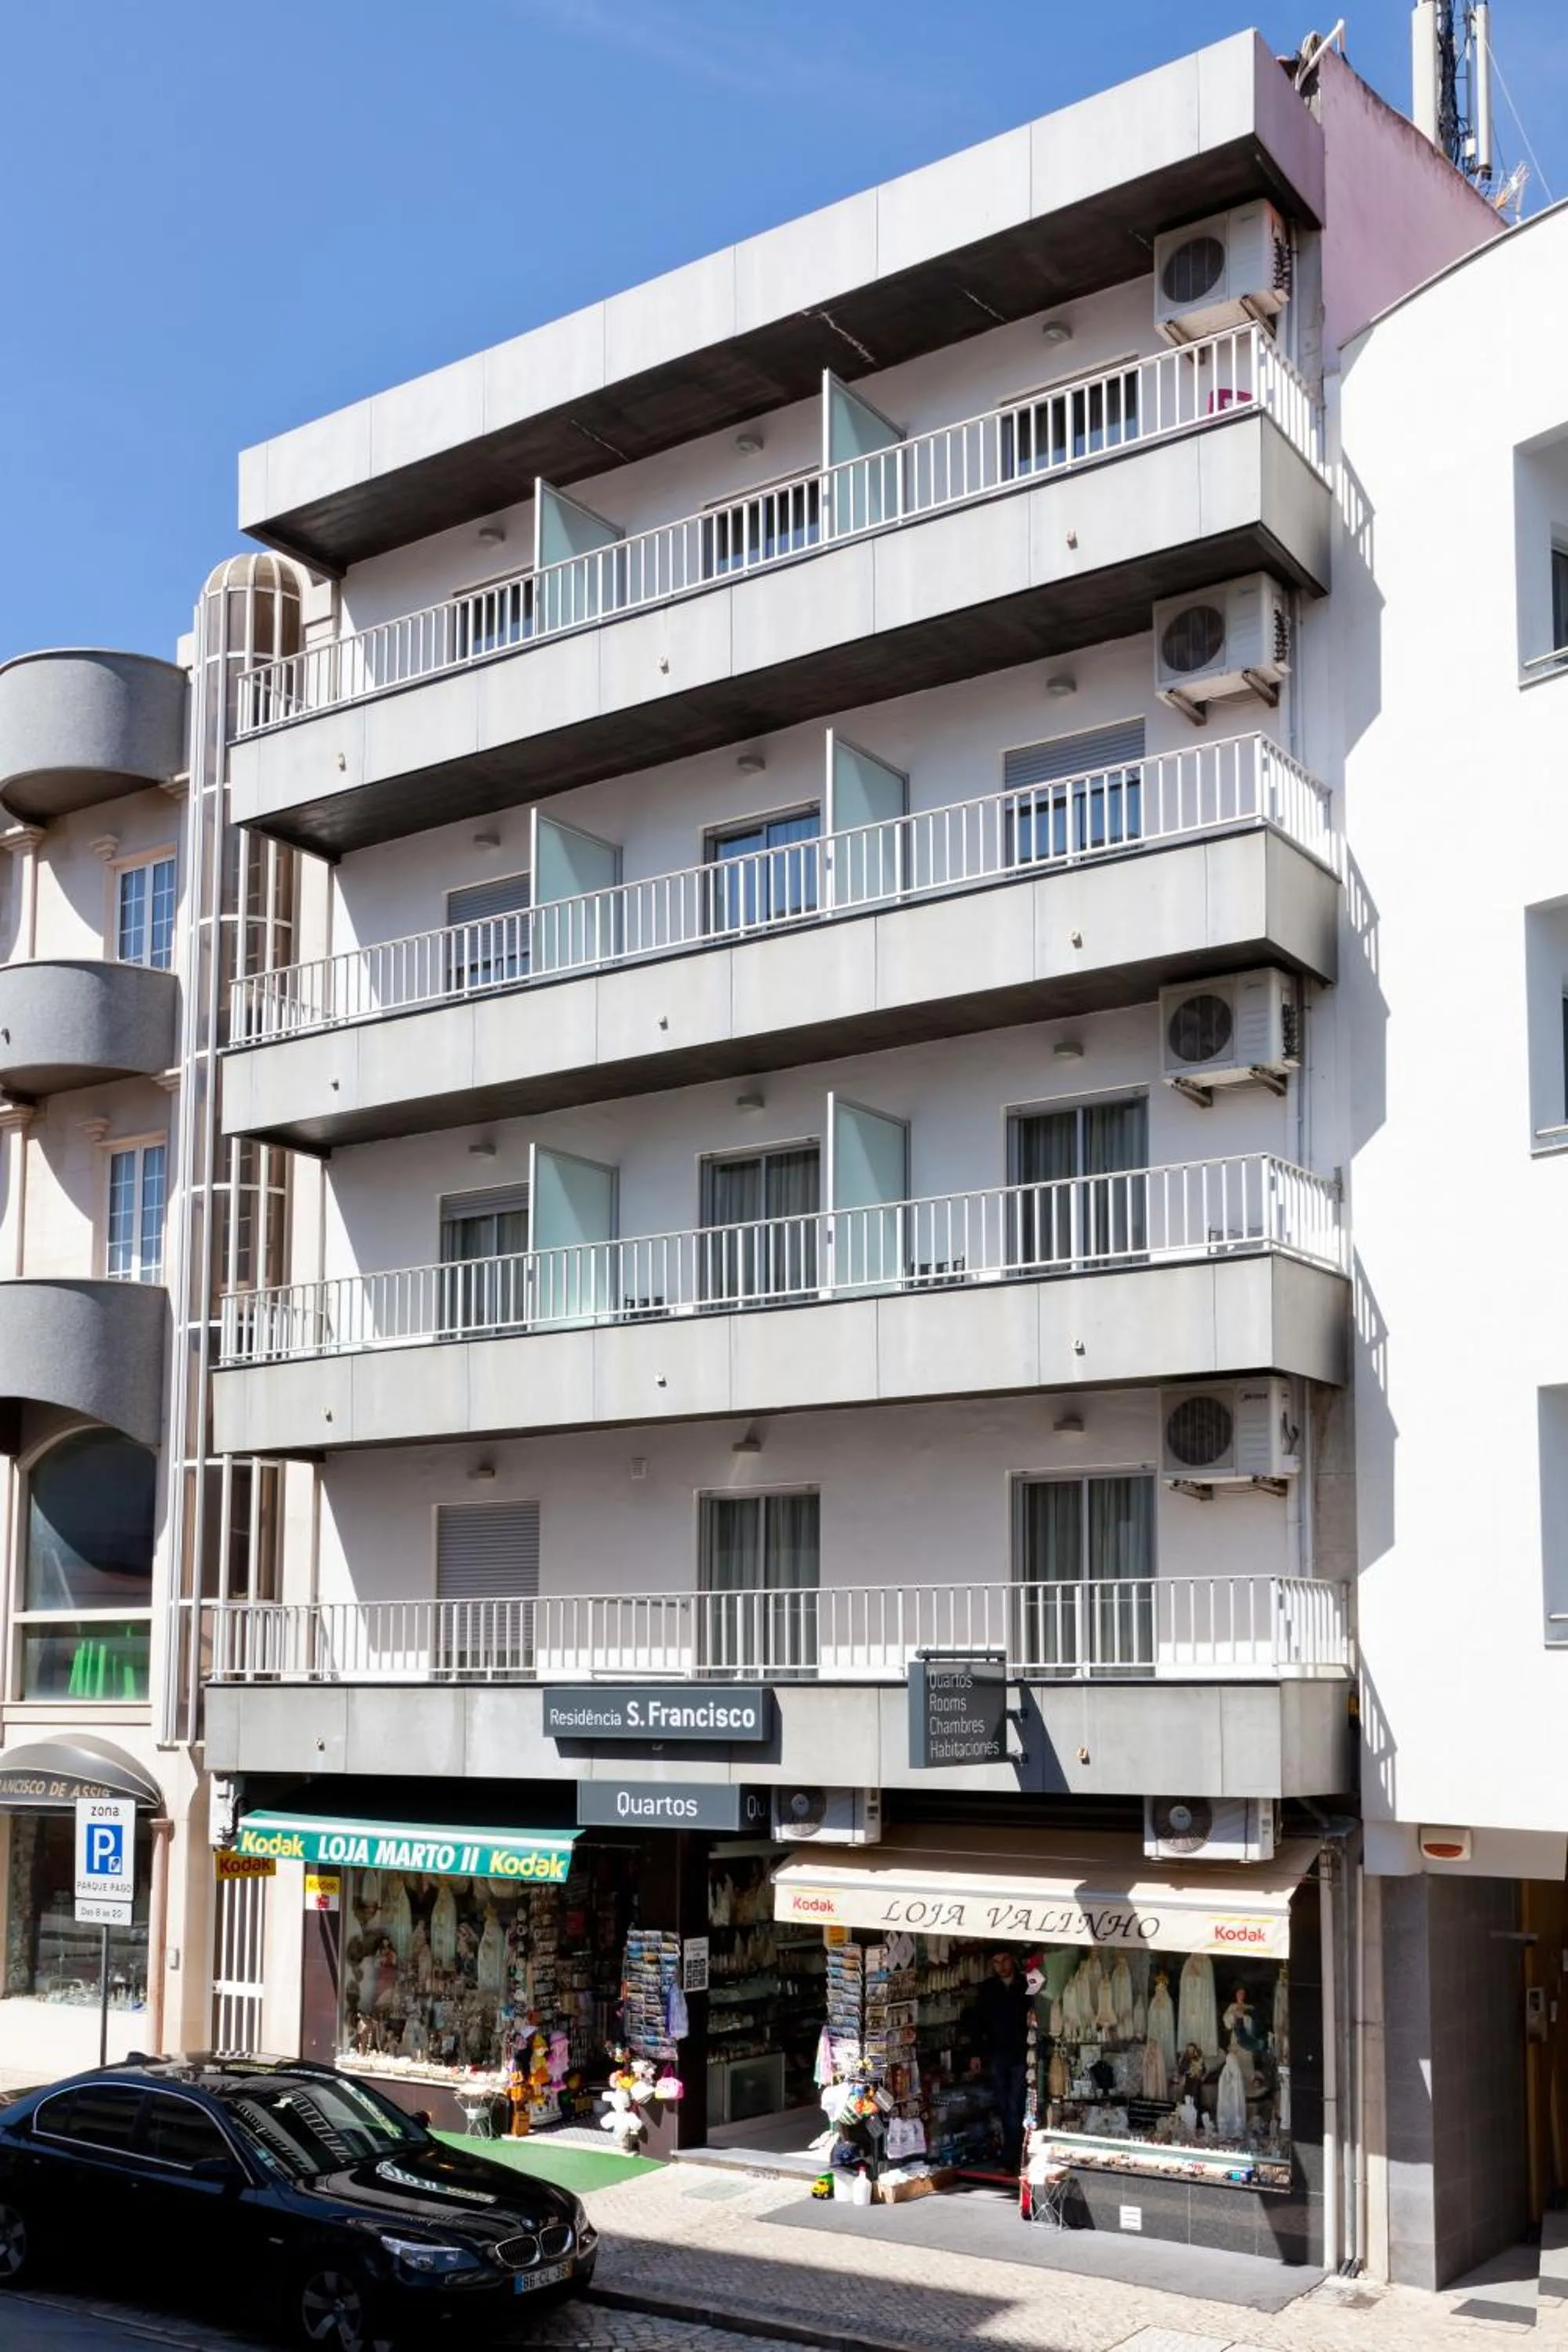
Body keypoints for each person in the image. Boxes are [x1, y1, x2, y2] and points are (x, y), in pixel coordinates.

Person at [968, 1949, 1031, 2151]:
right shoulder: (988, 1989)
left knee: (1016, 2103)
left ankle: (1015, 2152)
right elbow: (977, 2023)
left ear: (1012, 1960)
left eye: (1004, 1960)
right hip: (997, 2053)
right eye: (996, 1962)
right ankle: (1012, 2152)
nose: (1001, 1966)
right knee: (1004, 2104)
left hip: (1021, 2052)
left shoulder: (1025, 1985)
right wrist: (976, 2053)